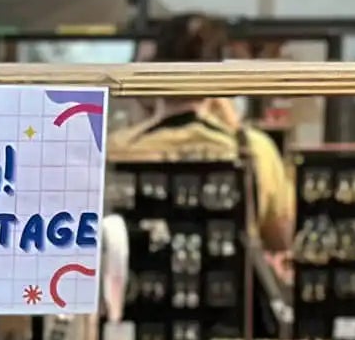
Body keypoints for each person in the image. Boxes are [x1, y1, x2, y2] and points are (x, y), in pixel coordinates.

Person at [117, 13, 294, 256]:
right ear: (218, 72)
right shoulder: (255, 148)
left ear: (155, 68)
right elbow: (280, 239)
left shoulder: (117, 148)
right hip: (232, 286)